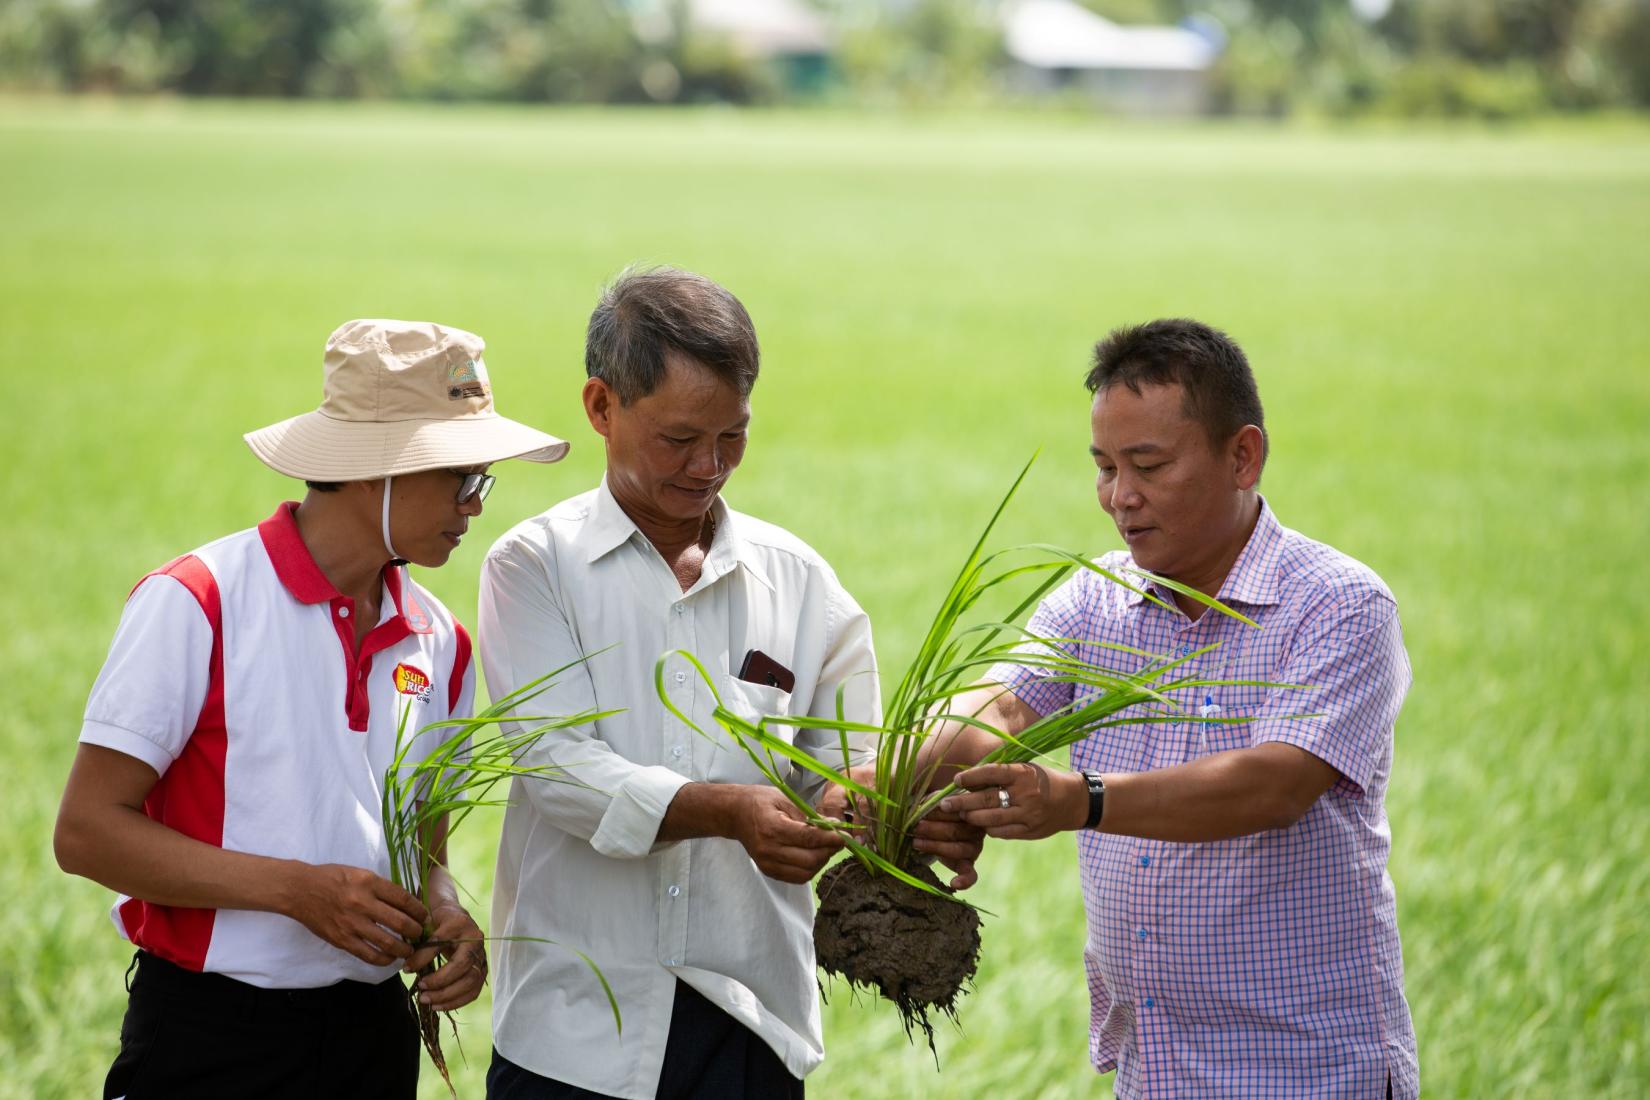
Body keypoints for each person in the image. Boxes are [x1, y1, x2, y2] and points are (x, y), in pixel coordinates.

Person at [479, 267, 975, 1100]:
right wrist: (726, 812)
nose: (709, 465)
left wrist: (894, 818)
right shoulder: (536, 567)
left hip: (751, 1021)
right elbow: (556, 767)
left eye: (733, 437)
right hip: (575, 1032)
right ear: (601, 407)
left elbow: (841, 774)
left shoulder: (802, 583)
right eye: (679, 438)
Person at [54, 318, 570, 1099]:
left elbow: (423, 847)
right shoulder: (198, 602)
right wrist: (294, 891)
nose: (475, 504)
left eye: (483, 480)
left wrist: (445, 917)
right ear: (373, 468)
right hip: (211, 1035)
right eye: (460, 477)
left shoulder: (442, 641)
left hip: (371, 1036)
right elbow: (87, 832)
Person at [930, 319, 1419, 1099]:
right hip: (1156, 1073)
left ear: (1242, 456)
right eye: (1104, 468)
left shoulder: (1338, 605)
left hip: (1311, 1071)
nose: (1121, 498)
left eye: (1149, 465)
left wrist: (1078, 800)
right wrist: (879, 781)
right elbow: (1003, 705)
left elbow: (1274, 784)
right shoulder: (1099, 595)